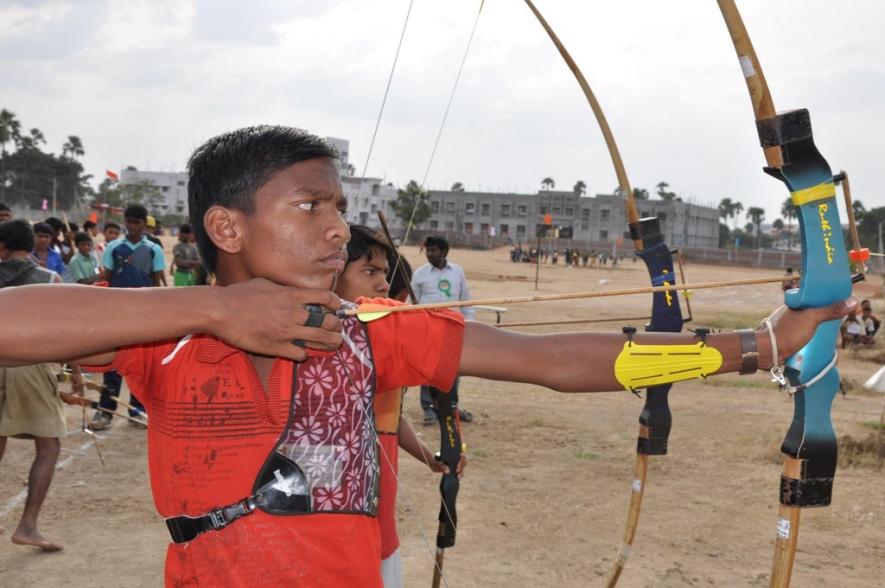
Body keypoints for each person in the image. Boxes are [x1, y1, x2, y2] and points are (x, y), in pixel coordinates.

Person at [0, 125, 853, 587]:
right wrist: (215, 309)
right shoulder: (168, 337)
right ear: (226, 228)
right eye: (308, 207)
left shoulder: (375, 326)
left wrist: (754, 346)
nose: (337, 227)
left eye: (338, 206)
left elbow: (556, 362)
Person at [335, 225, 465, 587]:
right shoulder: (334, 349)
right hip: (342, 528)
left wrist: (432, 458)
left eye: (385, 274)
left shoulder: (378, 346)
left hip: (381, 522)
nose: (383, 285)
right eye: (370, 272)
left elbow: (389, 422)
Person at [0, 220, 65, 551]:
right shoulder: (49, 280)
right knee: (48, 446)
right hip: (28, 365)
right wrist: (75, 374)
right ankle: (27, 526)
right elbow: (67, 332)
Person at [90, 204, 164, 430]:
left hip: (143, 317)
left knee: (140, 365)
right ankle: (105, 413)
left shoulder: (154, 249)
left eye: (136, 222)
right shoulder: (114, 247)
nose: (132, 226)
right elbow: (109, 280)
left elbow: (156, 283)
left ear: (144, 224)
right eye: (129, 222)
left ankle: (137, 411)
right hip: (116, 316)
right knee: (112, 366)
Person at [411, 235, 476, 425]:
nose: (429, 254)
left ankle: (451, 407)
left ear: (444, 252)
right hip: (427, 327)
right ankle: (429, 408)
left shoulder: (457, 272)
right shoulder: (420, 274)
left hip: (452, 327)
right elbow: (411, 302)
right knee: (428, 367)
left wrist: (470, 322)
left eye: (433, 250)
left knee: (452, 368)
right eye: (427, 251)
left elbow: (465, 298)